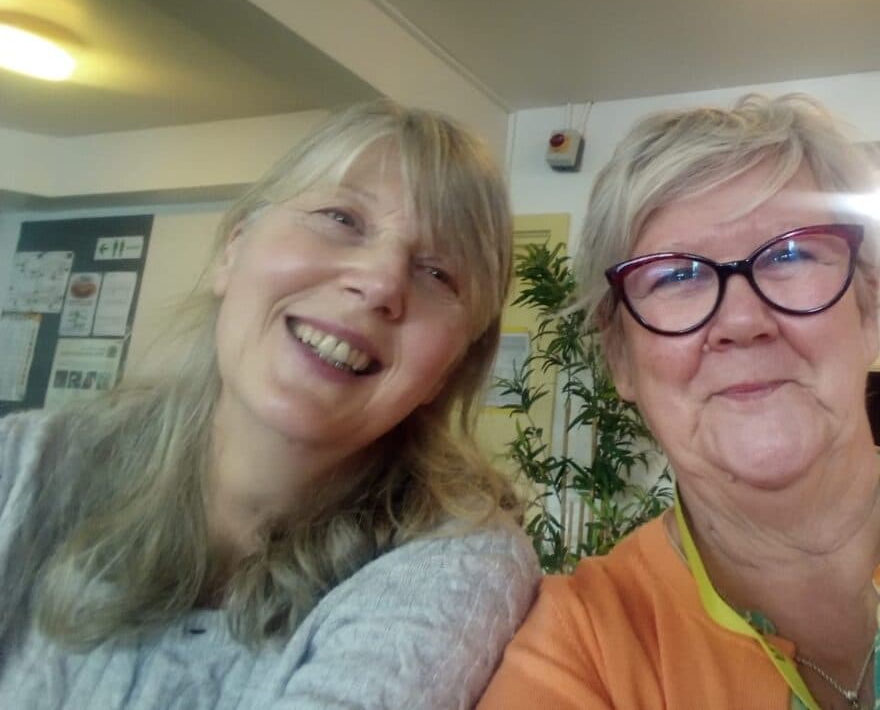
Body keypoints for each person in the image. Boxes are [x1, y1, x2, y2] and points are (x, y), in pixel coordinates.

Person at [0, 101, 540, 709]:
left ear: (450, 370)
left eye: (438, 273)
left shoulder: (456, 568)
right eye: (341, 217)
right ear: (233, 251)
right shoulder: (23, 465)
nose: (383, 282)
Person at [480, 94, 880, 709]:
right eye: (675, 275)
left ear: (868, 311)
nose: (743, 319)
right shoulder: (581, 649)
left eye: (791, 254)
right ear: (619, 356)